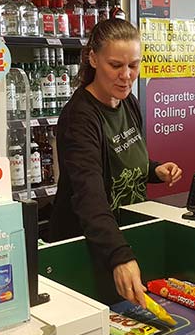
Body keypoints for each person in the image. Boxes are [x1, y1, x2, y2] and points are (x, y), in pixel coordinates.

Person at [50, 19, 182, 308]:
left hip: (124, 236)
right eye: (115, 65)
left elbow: (122, 160)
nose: (126, 76)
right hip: (89, 247)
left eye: (133, 65)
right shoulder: (80, 118)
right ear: (93, 59)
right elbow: (89, 195)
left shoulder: (128, 102)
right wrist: (119, 256)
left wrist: (154, 170)